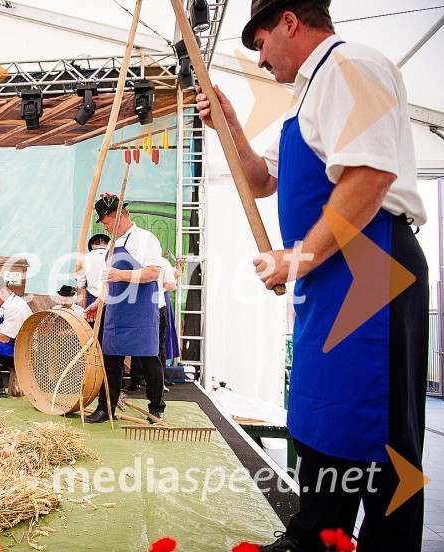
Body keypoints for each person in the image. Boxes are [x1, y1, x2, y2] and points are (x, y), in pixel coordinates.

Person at [196, 1, 428, 549]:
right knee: (325, 417)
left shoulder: (353, 67)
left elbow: (370, 177)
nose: (258, 56)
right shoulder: (304, 103)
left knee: (384, 436)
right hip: (332, 275)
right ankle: (318, 533)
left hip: (375, 267)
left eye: (259, 41)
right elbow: (260, 179)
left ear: (290, 23)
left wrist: (295, 258)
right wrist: (229, 122)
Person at [83, 194, 165, 423]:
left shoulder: (145, 239)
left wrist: (121, 274)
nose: (105, 227)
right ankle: (105, 407)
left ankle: (157, 407)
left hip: (142, 309)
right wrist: (98, 302)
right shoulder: (111, 244)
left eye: (106, 222)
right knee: (110, 360)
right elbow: (108, 281)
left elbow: (153, 273)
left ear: (117, 217)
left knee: (149, 359)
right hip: (117, 311)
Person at [127, 256, 179, 391]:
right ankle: (158, 383)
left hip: (138, 307)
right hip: (158, 306)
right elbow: (171, 285)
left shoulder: (135, 260)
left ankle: (136, 381)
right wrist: (161, 285)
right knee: (159, 345)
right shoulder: (163, 262)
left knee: (137, 344)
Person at [76, 233, 110, 309]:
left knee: (92, 320)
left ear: (92, 246)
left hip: (93, 298)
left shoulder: (85, 257)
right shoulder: (114, 256)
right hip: (111, 299)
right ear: (108, 245)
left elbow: (81, 283)